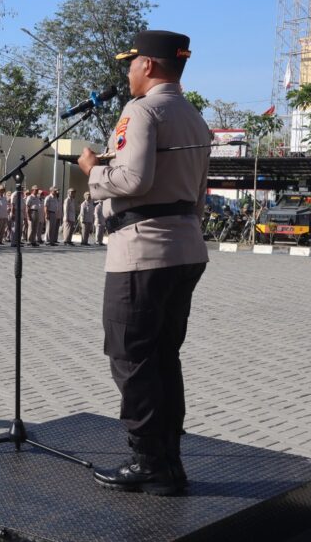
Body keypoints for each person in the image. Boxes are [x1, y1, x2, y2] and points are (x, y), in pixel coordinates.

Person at [78, 30, 210, 495]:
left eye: (131, 63)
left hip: (142, 253)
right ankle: (168, 459)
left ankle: (149, 460)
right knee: (163, 358)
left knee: (131, 357)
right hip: (186, 250)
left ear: (148, 66)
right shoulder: (195, 117)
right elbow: (197, 195)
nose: (128, 72)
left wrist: (93, 168)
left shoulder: (142, 110)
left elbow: (133, 177)